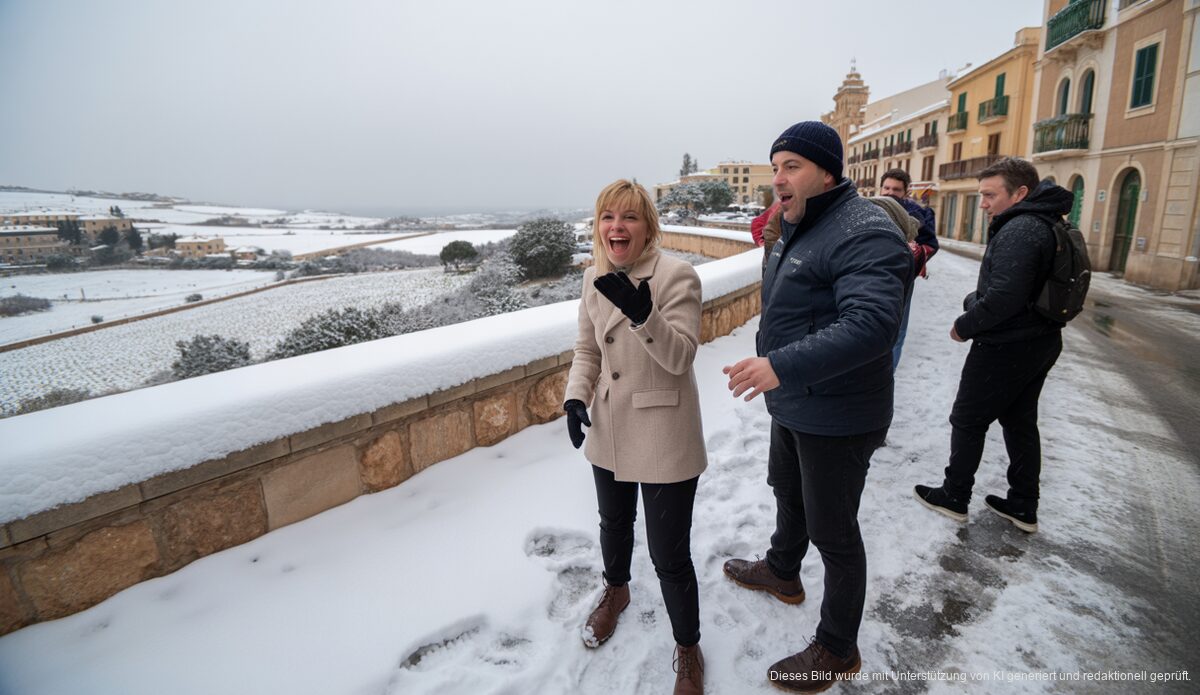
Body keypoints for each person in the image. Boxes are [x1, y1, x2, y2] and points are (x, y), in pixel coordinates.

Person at [721, 121, 912, 693]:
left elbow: (873, 324)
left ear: (827, 172)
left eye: (792, 166)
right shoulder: (803, 224)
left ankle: (837, 646)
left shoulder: (863, 229)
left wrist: (781, 365)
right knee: (787, 488)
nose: (779, 178)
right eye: (776, 166)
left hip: (841, 411)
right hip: (798, 401)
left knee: (835, 531)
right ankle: (783, 571)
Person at [563, 179, 708, 694]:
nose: (616, 227)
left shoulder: (676, 276)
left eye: (628, 217)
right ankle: (616, 591)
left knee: (670, 555)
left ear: (648, 227)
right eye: (607, 217)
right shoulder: (592, 277)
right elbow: (588, 350)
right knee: (613, 523)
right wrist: (576, 396)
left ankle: (688, 648)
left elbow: (680, 359)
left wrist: (642, 313)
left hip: (663, 430)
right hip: (609, 424)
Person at [914, 157, 1073, 534]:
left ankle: (955, 495)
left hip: (1006, 345)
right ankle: (1023, 503)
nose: (983, 203)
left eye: (989, 195)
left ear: (1020, 194)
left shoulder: (1021, 230)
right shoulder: (1048, 223)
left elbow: (1003, 298)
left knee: (968, 419)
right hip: (1041, 340)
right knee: (1020, 422)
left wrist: (964, 325)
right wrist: (978, 298)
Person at [878, 168, 938, 370]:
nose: (889, 193)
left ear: (905, 192)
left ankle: (888, 375)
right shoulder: (868, 207)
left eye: (896, 189)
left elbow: (931, 244)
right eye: (886, 187)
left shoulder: (919, 214)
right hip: (866, 276)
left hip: (901, 280)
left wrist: (911, 257)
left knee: (897, 329)